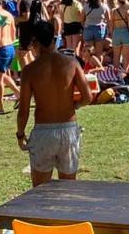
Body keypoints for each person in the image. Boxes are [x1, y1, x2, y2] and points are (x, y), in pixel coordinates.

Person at [17, 21, 92, 187]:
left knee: (40, 191)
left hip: (44, 131)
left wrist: (20, 134)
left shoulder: (30, 70)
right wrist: (75, 106)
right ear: (54, 39)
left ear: (35, 43)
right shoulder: (71, 63)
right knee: (68, 190)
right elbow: (88, 96)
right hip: (68, 129)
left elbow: (23, 109)